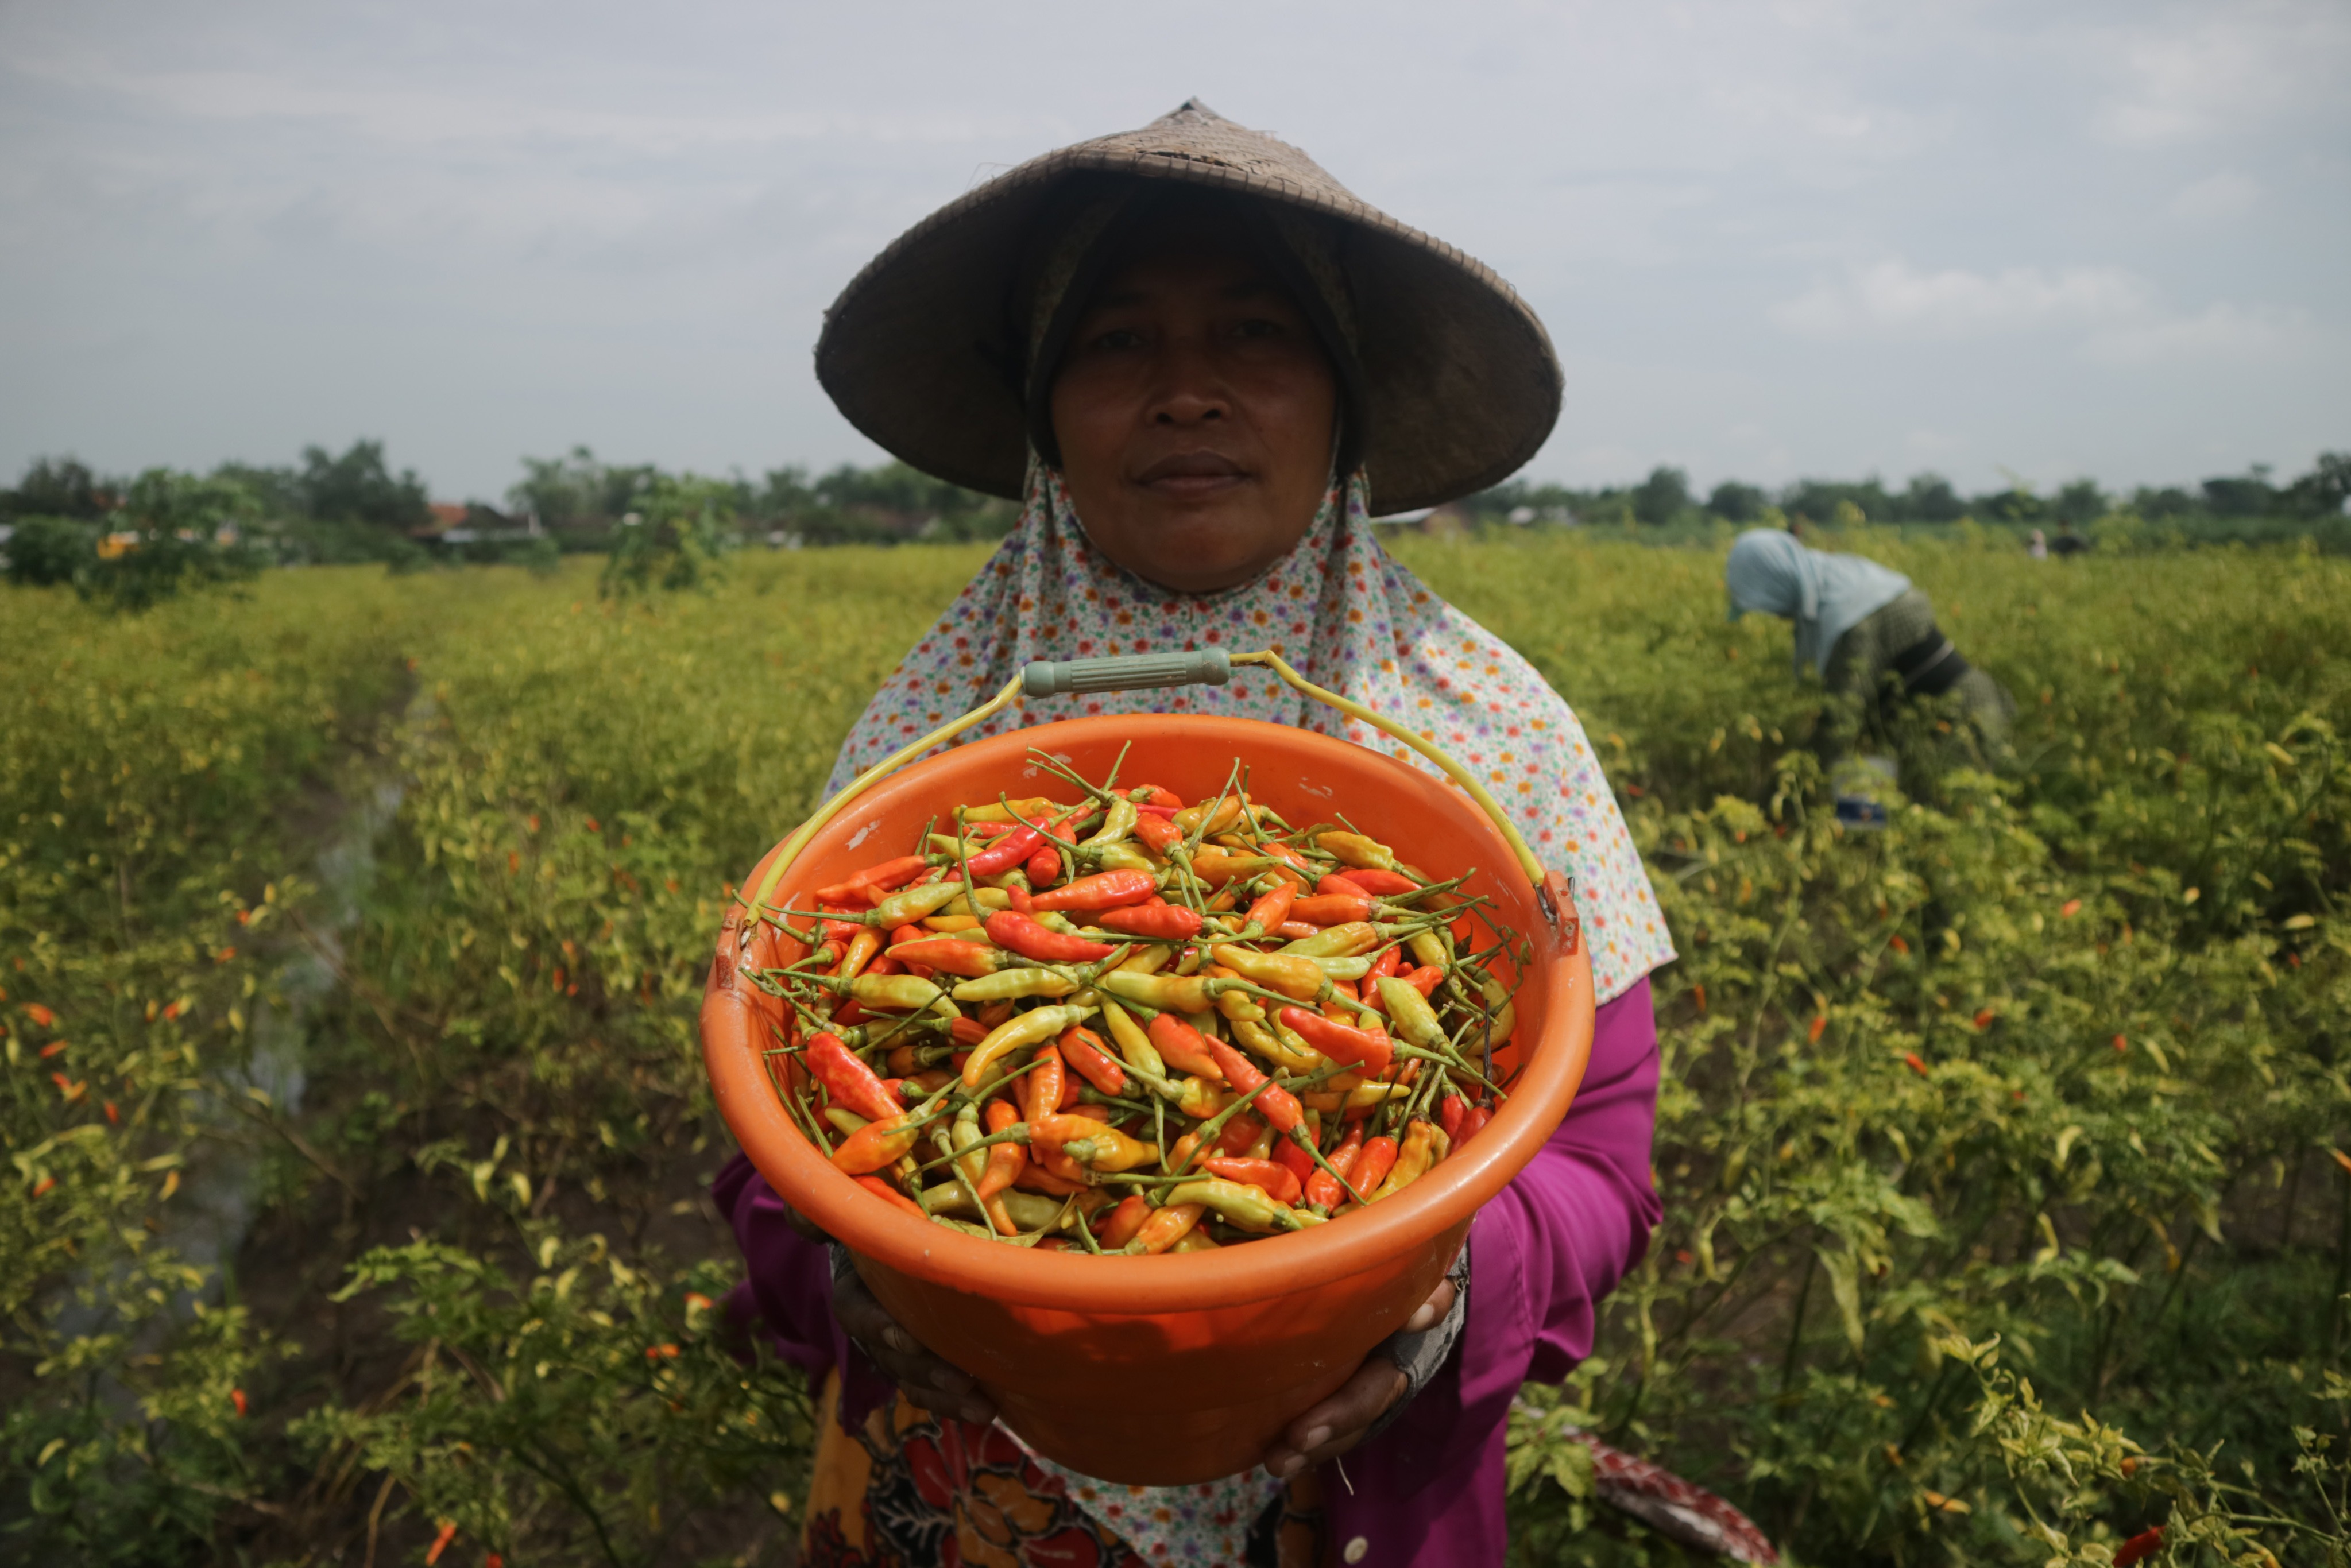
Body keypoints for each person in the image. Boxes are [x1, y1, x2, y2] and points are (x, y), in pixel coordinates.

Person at [712, 102, 1756, 1568]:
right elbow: (781, 1122)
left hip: (1355, 1502)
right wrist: (854, 1279)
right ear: (1045, 414)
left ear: (1341, 402)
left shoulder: (1489, 735)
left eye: (1255, 334)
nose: (1185, 393)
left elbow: (1597, 1165)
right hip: (970, 1496)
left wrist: (1434, 1296)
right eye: (1115, 340)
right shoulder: (934, 732)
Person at [1723, 529, 2014, 768]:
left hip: (1961, 727)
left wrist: (1789, 780)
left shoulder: (1852, 617)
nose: (1773, 614)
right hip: (1944, 722)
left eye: (1766, 601)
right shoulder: (1839, 577)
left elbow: (1842, 720)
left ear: (1776, 581)